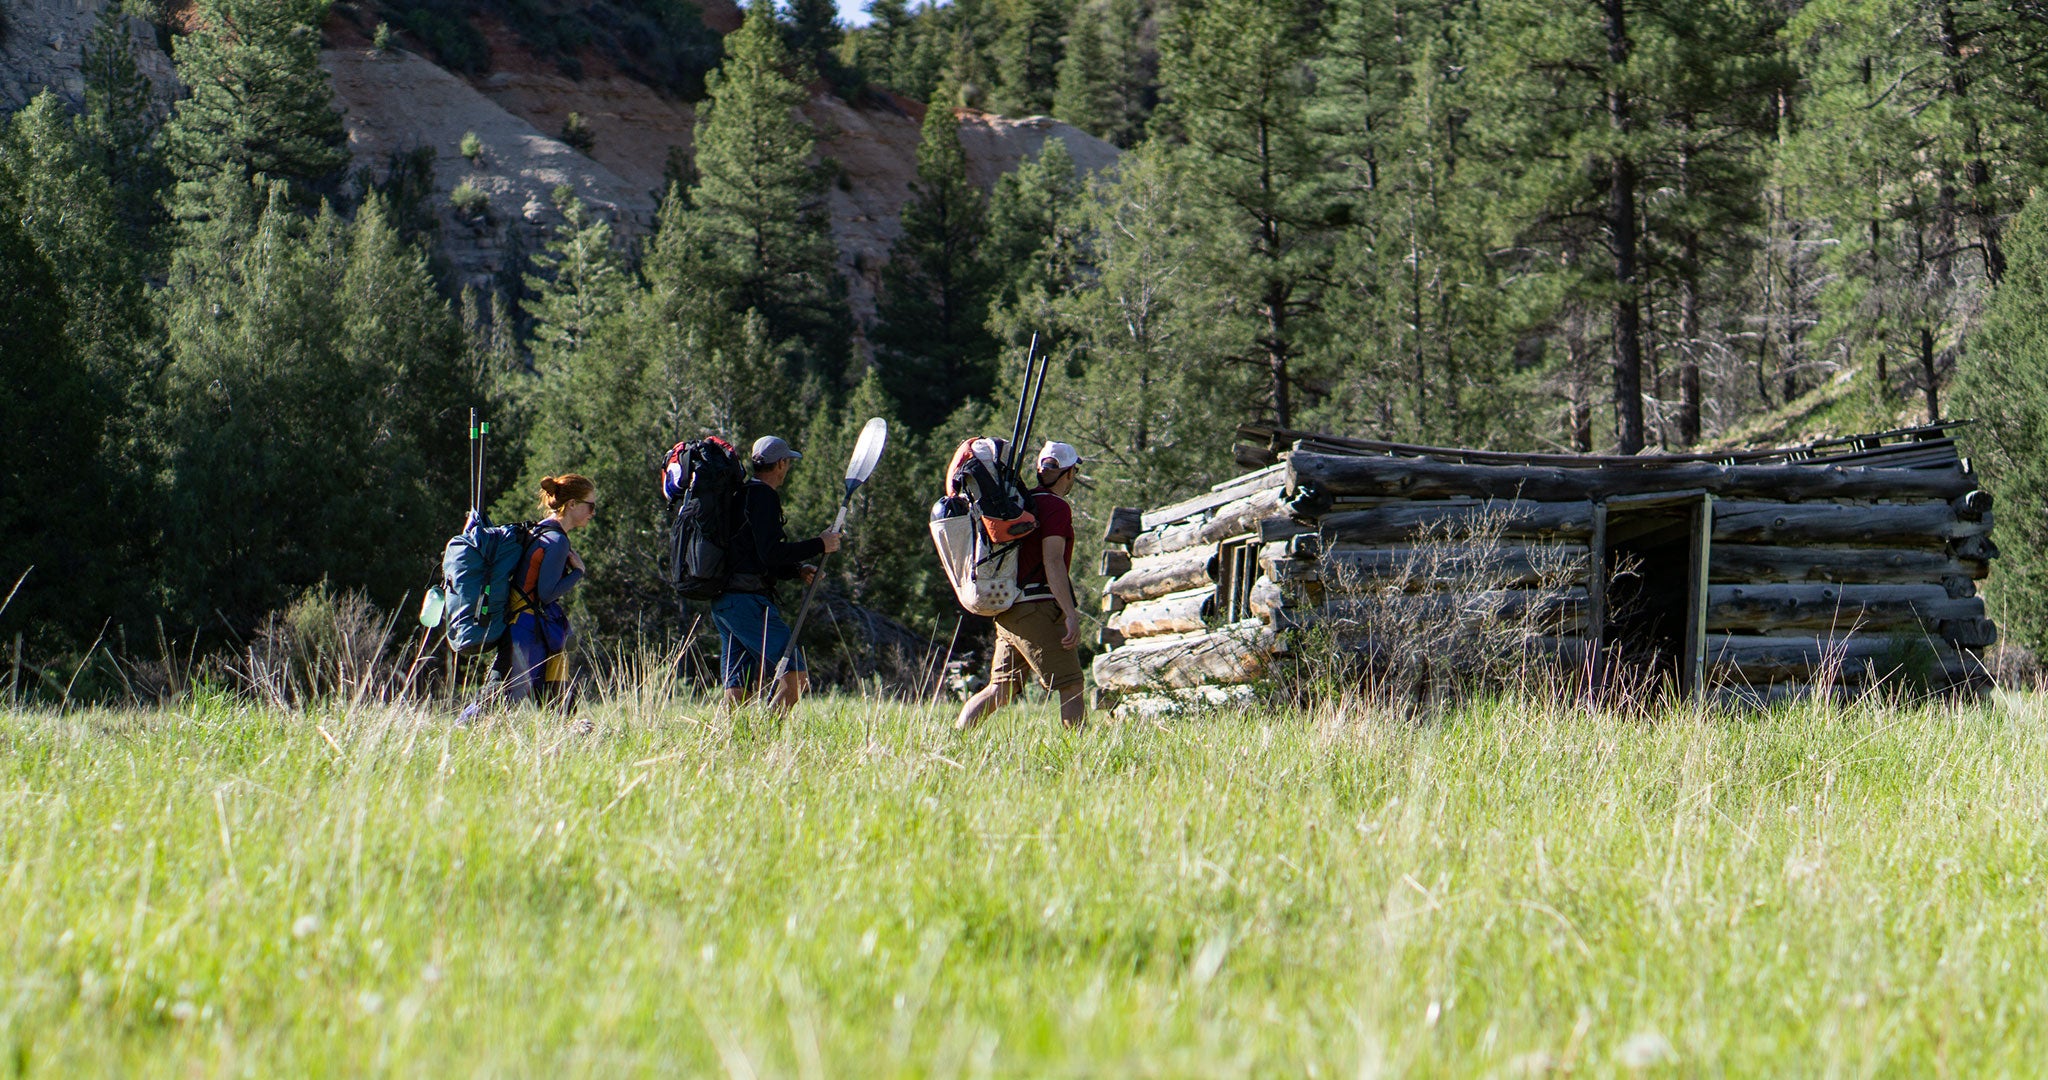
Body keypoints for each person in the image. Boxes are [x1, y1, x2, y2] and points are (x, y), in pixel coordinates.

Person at [956, 441, 1087, 731]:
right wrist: (1069, 613)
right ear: (1068, 473)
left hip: (1007, 608)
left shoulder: (1017, 502)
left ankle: (957, 738)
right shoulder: (1056, 508)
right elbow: (1052, 562)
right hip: (1037, 607)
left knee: (999, 690)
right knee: (1071, 685)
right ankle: (1081, 755)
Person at [710, 436, 841, 711]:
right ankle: (766, 740)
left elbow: (755, 555)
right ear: (781, 464)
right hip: (748, 603)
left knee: (738, 691)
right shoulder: (763, 497)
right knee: (796, 677)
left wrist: (796, 570)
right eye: (788, 463)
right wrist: (820, 544)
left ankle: (723, 747)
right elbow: (770, 553)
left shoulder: (741, 495)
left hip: (726, 603)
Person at [460, 473, 595, 724]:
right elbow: (545, 594)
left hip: (523, 626)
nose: (593, 512)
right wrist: (578, 573)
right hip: (526, 630)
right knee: (498, 695)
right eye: (591, 505)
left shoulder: (539, 531)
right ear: (573, 504)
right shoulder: (556, 541)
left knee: (552, 696)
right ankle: (461, 728)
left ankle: (570, 736)